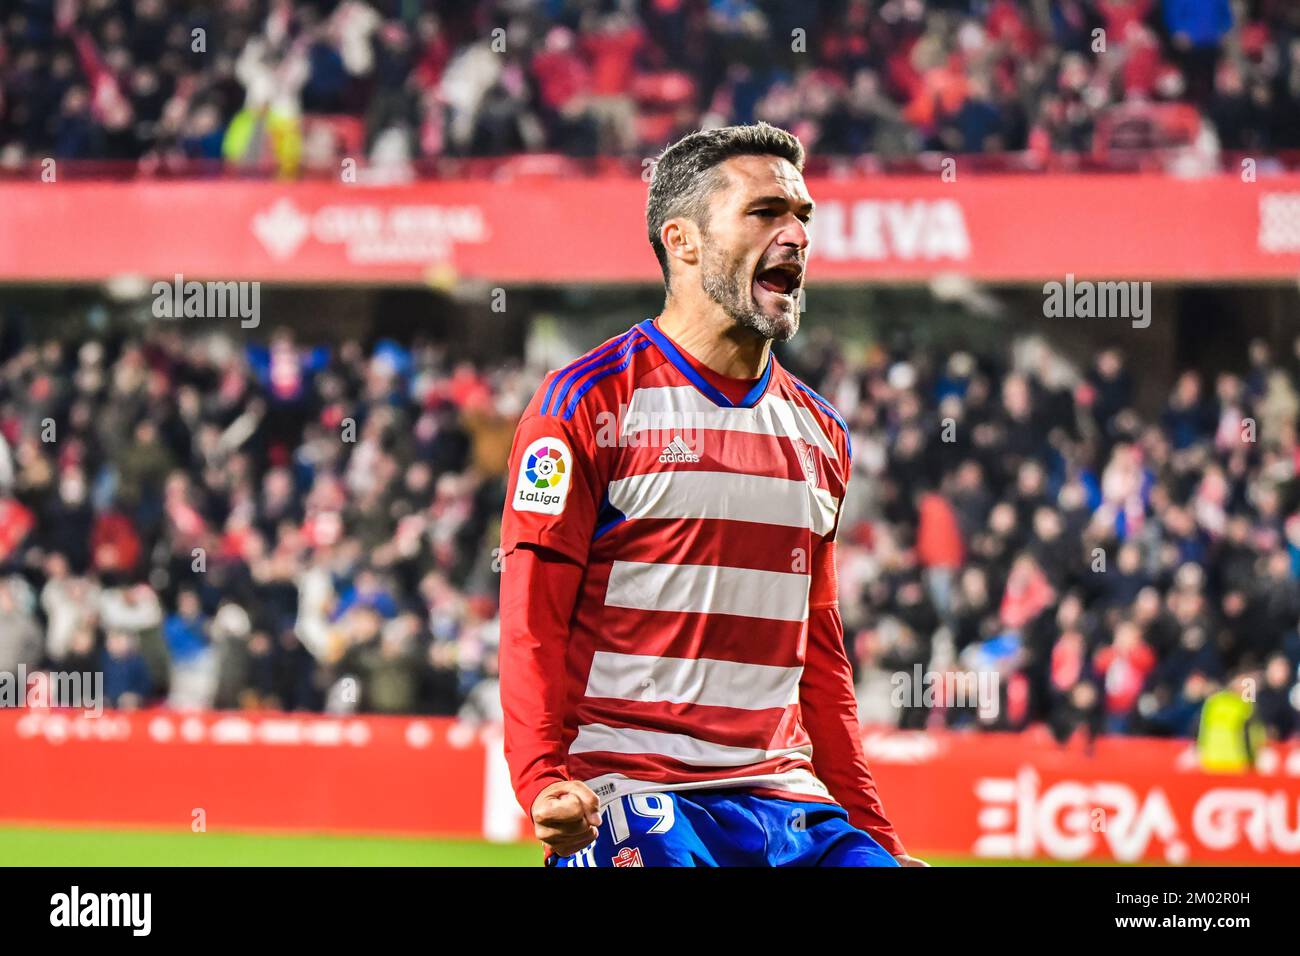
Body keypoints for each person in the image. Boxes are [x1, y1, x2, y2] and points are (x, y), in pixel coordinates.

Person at [499, 123, 920, 867]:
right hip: (631, 792)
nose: (795, 235)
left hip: (789, 806)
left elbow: (818, 659)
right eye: (765, 213)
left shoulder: (821, 435)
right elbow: (532, 614)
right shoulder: (586, 404)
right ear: (684, 241)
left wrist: (876, 838)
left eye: (803, 217)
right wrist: (541, 780)